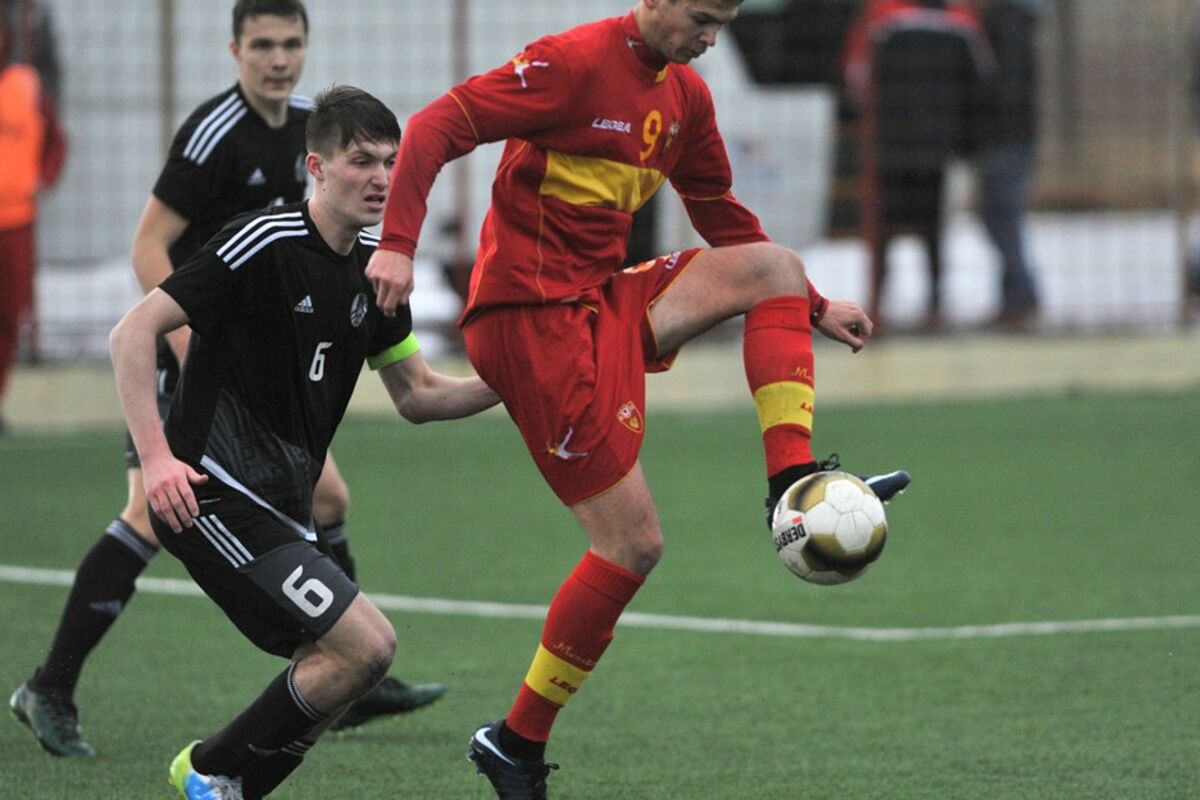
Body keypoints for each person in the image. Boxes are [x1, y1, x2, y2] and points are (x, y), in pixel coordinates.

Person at [363, 1, 912, 796]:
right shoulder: (571, 65)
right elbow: (434, 125)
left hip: (600, 302)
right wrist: (398, 246)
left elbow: (719, 211)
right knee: (632, 545)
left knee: (775, 268)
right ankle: (515, 742)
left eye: (722, 23)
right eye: (701, 19)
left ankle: (790, 486)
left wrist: (814, 304)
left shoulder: (685, 94)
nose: (710, 39)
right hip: (528, 322)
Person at [9, 0, 443, 761]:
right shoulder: (214, 132)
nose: (279, 59)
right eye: (263, 45)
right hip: (193, 342)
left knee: (329, 497)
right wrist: (187, 343)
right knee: (154, 509)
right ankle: (52, 684)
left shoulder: (317, 129)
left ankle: (348, 666)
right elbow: (149, 246)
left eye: (292, 44)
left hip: (251, 350)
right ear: (235, 50)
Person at [112, 83, 498, 800]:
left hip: (285, 510)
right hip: (212, 494)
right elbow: (132, 332)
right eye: (362, 161)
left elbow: (417, 394)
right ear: (316, 168)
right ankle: (205, 766)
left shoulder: (378, 268)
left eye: (390, 162)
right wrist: (158, 459)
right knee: (367, 644)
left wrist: (510, 385)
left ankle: (225, 786)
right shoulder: (262, 242)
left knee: (345, 670)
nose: (381, 178)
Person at [842, 0, 993, 329]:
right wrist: (963, 137)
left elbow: (857, 74)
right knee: (932, 226)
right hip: (939, 144)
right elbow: (982, 80)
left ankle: (878, 304)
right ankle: (935, 305)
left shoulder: (881, 17)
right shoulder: (963, 21)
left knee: (882, 227)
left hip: (890, 141)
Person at [0, 0, 64, 435]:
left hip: (16, 220)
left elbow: (55, 141)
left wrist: (43, 177)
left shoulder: (25, 85)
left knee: (9, 316)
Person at [971, 0, 1045, 328]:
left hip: (1004, 136)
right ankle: (1018, 296)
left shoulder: (1006, 24)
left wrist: (985, 127)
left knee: (1002, 216)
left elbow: (1006, 87)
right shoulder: (1011, 22)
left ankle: (1019, 298)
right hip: (1011, 135)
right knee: (1001, 217)